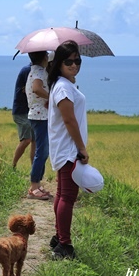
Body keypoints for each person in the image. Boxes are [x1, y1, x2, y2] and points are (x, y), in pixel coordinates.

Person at [47, 40, 88, 260]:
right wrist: (81, 148)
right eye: (69, 61)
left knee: (62, 193)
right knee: (68, 197)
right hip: (69, 149)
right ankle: (64, 244)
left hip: (64, 148)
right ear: (59, 63)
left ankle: (59, 236)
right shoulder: (63, 87)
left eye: (78, 60)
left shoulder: (63, 84)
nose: (74, 65)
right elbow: (70, 120)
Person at [25, 51, 53, 200]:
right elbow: (36, 88)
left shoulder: (33, 70)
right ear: (44, 57)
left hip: (38, 115)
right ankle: (34, 186)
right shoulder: (39, 72)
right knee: (41, 152)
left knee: (43, 151)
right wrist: (52, 97)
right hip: (40, 116)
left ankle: (37, 184)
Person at [11, 63, 34, 170]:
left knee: (35, 140)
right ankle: (13, 165)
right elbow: (29, 89)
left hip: (31, 111)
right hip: (21, 111)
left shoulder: (37, 71)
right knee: (27, 139)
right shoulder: (28, 70)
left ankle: (35, 169)